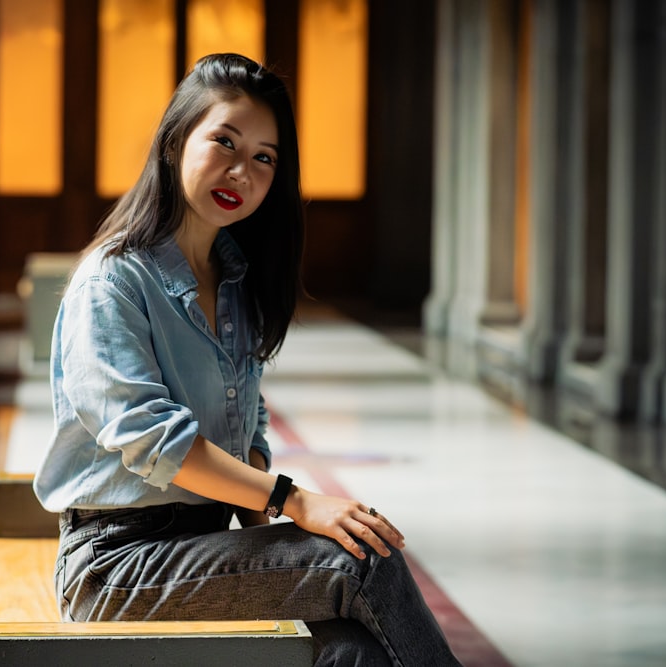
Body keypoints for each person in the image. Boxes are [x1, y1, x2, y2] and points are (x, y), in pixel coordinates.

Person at [32, 53, 461, 666]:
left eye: (264, 157)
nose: (242, 170)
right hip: (117, 566)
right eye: (225, 142)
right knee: (361, 562)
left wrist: (271, 540)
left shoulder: (233, 278)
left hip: (201, 547)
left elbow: (245, 421)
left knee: (353, 649)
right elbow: (152, 439)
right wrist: (296, 503)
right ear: (176, 142)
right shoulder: (112, 282)